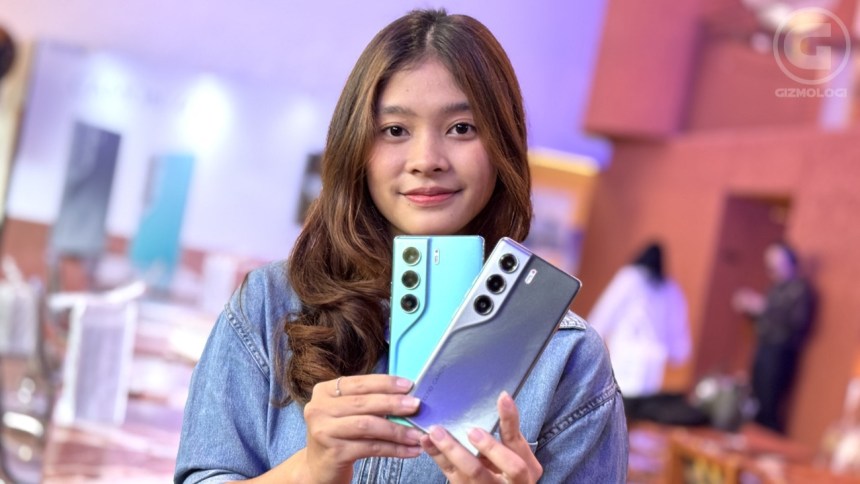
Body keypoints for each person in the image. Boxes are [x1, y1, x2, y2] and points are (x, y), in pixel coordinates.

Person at [174, 9, 627, 484]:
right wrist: (309, 469)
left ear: (503, 145)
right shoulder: (270, 304)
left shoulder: (568, 358)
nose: (426, 160)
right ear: (356, 146)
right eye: (395, 130)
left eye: (462, 128)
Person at [587, 242, 692, 400]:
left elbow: (607, 309)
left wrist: (591, 338)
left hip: (626, 352)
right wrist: (678, 353)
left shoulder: (629, 278)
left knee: (617, 399)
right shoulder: (669, 288)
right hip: (652, 361)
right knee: (640, 404)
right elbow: (677, 326)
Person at [732, 241, 816, 434]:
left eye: (777, 261)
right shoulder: (775, 287)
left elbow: (796, 322)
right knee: (756, 397)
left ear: (789, 262)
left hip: (780, 351)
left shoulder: (799, 289)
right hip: (763, 345)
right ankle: (753, 438)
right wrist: (750, 308)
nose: (773, 267)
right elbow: (765, 317)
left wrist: (763, 308)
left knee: (770, 402)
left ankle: (768, 442)